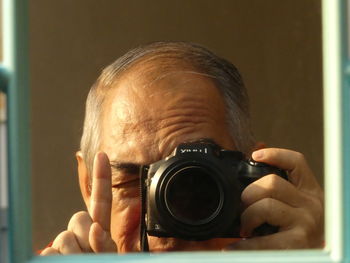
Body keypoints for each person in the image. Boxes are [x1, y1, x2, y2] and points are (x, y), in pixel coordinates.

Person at [40, 41, 324, 255]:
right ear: (89, 185)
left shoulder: (310, 254)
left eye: (192, 178)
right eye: (132, 182)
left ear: (255, 182)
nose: (167, 206)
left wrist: (318, 258)